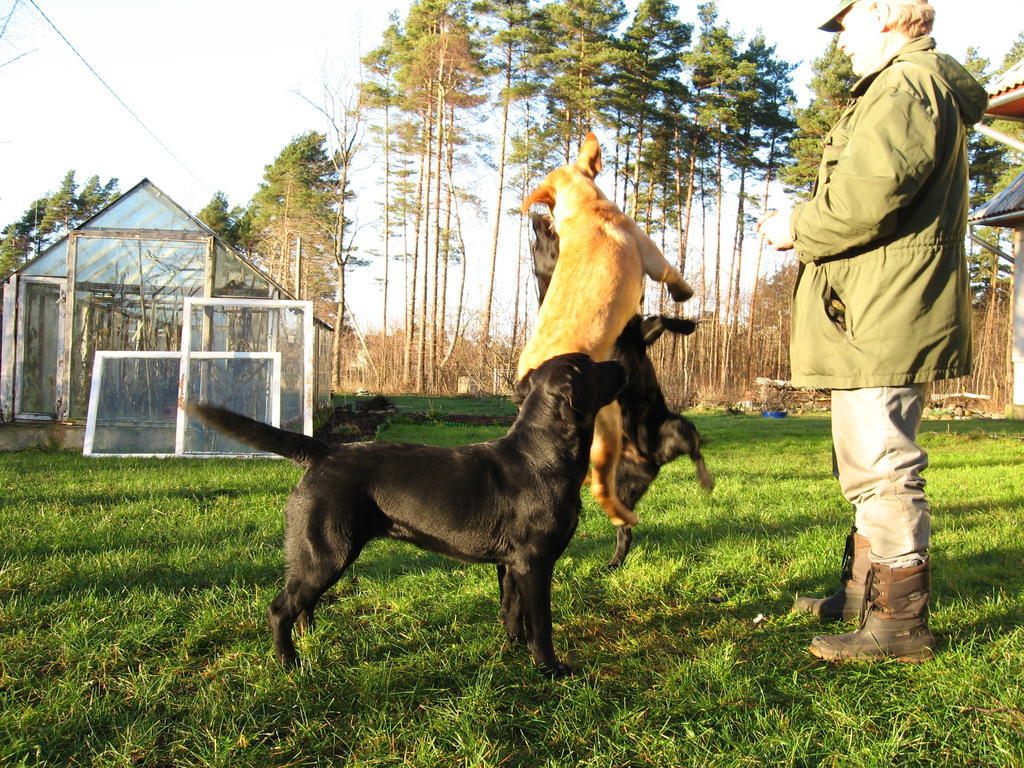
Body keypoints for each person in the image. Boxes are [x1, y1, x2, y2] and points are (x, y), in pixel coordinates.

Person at [757, 0, 988, 662]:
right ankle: (865, 597)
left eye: (845, 23)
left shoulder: (907, 86)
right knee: (864, 462)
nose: (839, 41)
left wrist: (795, 227)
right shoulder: (906, 85)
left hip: (886, 314)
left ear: (886, 14)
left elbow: (869, 196)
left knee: (883, 466)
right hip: (877, 312)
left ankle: (898, 627)